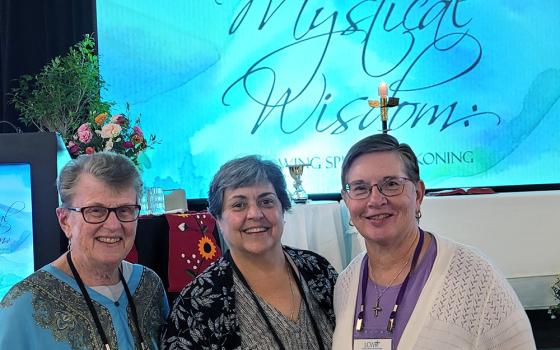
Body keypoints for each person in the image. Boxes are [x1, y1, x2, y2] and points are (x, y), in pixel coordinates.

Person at [332, 134, 536, 349]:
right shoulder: (346, 283)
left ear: (418, 194)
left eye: (391, 184)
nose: (375, 200)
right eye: (360, 188)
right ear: (347, 201)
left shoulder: (475, 277)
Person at [161, 155, 337, 350]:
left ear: (283, 208)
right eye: (239, 205)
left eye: (266, 202)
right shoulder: (196, 304)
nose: (255, 214)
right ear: (218, 219)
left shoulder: (318, 270)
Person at [0, 152, 169, 349]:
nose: (114, 225)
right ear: (65, 221)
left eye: (125, 210)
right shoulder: (24, 304)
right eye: (96, 211)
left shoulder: (149, 286)